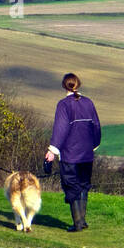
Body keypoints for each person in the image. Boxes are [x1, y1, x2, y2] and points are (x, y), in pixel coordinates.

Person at [44, 72, 101, 232]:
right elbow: (96, 126)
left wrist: (52, 151)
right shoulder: (88, 103)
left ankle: (77, 224)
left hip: (70, 154)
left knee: (72, 186)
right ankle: (82, 221)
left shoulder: (63, 104)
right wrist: (93, 145)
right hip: (87, 154)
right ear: (78, 84)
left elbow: (60, 129)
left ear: (64, 85)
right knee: (83, 186)